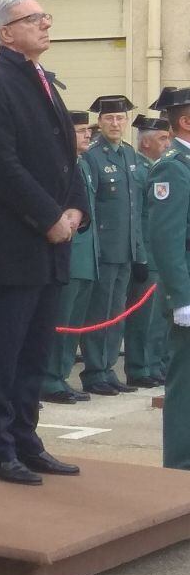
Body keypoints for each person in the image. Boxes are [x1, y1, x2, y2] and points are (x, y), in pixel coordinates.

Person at [0, 0, 87, 486]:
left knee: (36, 351)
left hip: (53, 242)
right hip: (15, 243)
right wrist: (48, 217)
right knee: (5, 350)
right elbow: (0, 165)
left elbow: (67, 155)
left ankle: (26, 438)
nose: (45, 24)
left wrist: (76, 207)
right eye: (33, 18)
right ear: (4, 32)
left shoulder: (44, 82)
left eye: (46, 17)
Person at [80, 95, 147, 395]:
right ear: (100, 122)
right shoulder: (93, 156)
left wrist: (140, 252)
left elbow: (135, 209)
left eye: (120, 118)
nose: (116, 123)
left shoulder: (129, 155)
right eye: (110, 119)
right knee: (100, 312)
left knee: (117, 312)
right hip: (105, 249)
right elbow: (90, 207)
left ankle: (107, 368)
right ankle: (94, 371)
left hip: (126, 249)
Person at [146, 88, 190, 469]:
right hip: (189, 292)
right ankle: (180, 467)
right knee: (186, 385)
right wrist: (182, 298)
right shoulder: (173, 166)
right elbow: (167, 239)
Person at [41, 110, 98, 404]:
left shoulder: (83, 164)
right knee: (60, 319)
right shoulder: (57, 164)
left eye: (88, 130)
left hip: (87, 254)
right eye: (80, 130)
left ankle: (60, 374)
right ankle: (49, 377)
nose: (87, 134)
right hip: (65, 252)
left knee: (73, 321)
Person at [123, 114, 171, 388]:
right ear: (145, 144)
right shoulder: (140, 170)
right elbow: (138, 218)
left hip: (159, 252)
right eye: (162, 138)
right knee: (144, 318)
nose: (167, 143)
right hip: (147, 253)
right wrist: (141, 254)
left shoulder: (158, 167)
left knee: (159, 318)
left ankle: (155, 363)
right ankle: (141, 366)